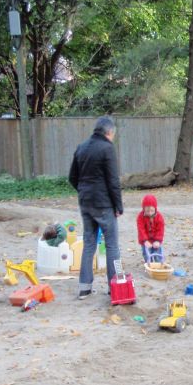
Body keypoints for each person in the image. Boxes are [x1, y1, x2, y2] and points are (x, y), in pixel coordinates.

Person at [69, 116, 123, 300]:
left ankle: (84, 288)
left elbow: (72, 178)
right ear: (109, 132)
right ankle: (115, 287)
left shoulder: (81, 147)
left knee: (89, 243)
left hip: (85, 202)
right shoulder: (107, 148)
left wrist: (84, 192)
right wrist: (118, 205)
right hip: (103, 204)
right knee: (112, 245)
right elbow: (113, 181)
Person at [136, 194, 165, 263]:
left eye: (152, 211)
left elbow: (160, 229)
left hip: (156, 239)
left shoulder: (159, 217)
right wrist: (145, 240)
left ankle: (159, 264)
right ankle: (149, 263)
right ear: (143, 209)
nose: (149, 213)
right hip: (145, 241)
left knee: (158, 254)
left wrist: (158, 240)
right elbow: (141, 230)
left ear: (155, 208)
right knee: (147, 255)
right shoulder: (140, 217)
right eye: (147, 211)